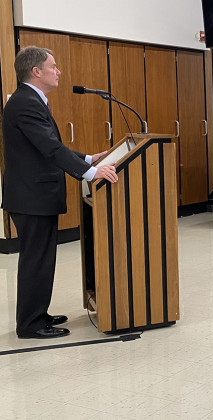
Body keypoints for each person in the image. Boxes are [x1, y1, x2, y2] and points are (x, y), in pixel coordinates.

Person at [2, 46, 118, 339]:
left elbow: (49, 146)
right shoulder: (26, 102)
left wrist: (88, 158)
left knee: (41, 258)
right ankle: (30, 323)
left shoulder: (30, 100)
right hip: (32, 197)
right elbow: (50, 148)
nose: (59, 71)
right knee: (36, 259)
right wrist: (90, 173)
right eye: (53, 66)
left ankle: (38, 313)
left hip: (34, 196)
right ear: (36, 71)